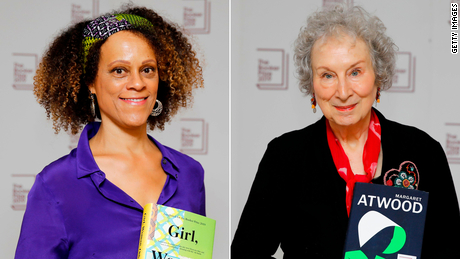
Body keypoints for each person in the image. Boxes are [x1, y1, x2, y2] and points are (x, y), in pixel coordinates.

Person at [232, 5, 460, 258]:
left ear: (378, 76)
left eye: (355, 72)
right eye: (328, 75)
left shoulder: (422, 151)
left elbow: (449, 250)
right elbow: (246, 252)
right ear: (312, 85)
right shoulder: (285, 156)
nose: (342, 92)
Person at [15, 5, 205, 258]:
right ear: (91, 82)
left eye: (147, 69)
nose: (137, 83)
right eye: (119, 71)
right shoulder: (56, 185)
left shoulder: (189, 174)